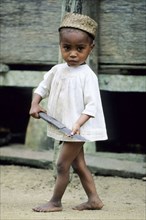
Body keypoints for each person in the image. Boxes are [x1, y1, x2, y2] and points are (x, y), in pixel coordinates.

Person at [29, 12, 108, 212]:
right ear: (60, 46)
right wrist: (35, 104)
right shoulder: (57, 70)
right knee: (78, 165)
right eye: (67, 48)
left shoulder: (87, 76)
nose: (73, 54)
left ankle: (55, 201)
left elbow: (92, 107)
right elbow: (41, 88)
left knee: (62, 165)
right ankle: (94, 200)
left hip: (75, 129)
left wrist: (78, 124)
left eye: (80, 49)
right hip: (64, 127)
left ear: (91, 48)